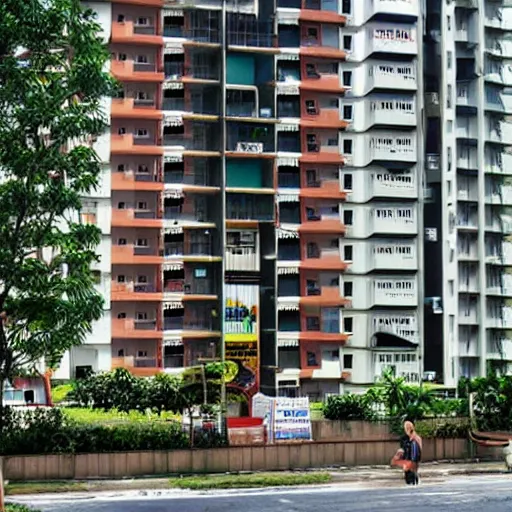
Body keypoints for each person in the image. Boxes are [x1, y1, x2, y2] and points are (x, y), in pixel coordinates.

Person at [390, 420, 422, 485]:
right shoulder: (404, 438)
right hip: (408, 458)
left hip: (413, 458)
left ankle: (414, 484)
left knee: (412, 473)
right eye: (406, 427)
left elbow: (419, 448)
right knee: (408, 474)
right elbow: (402, 448)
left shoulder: (416, 437)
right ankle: (412, 484)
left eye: (408, 426)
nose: (407, 428)